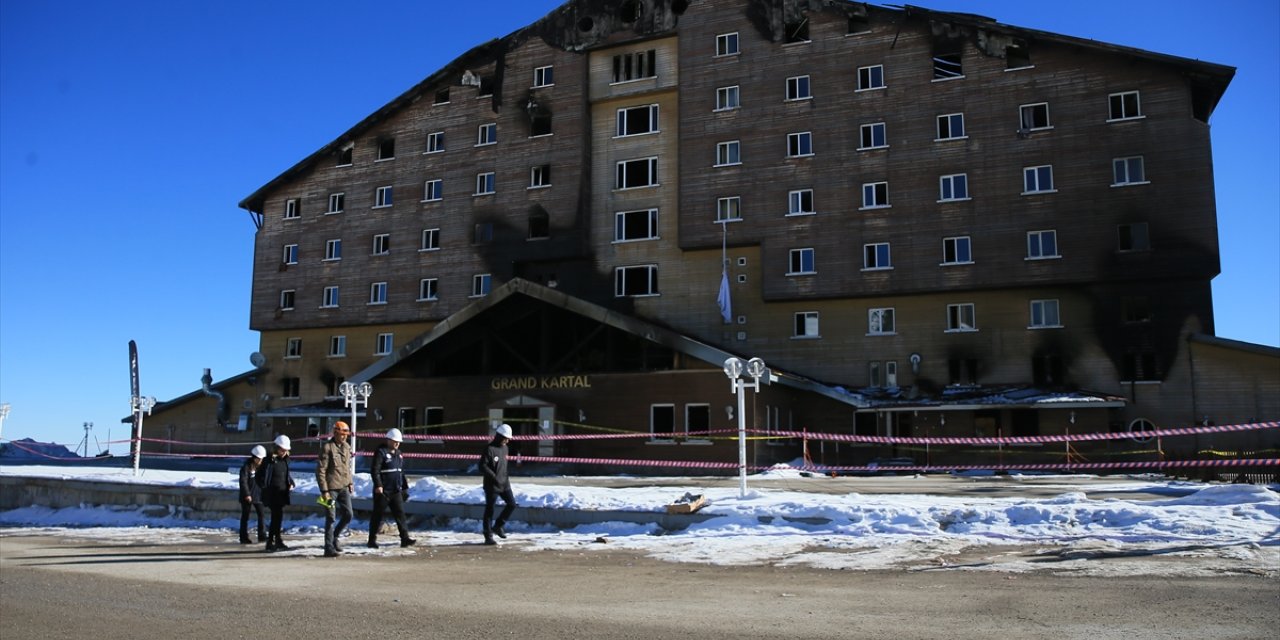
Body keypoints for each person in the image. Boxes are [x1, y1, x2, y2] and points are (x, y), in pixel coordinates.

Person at [368, 428, 416, 549]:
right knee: (377, 515)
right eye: (395, 441)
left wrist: (404, 487)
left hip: (395, 490)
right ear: (389, 440)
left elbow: (400, 472)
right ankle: (371, 540)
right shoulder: (381, 452)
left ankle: (405, 538)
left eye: (398, 442)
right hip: (383, 491)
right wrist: (378, 485)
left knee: (400, 514)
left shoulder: (399, 454)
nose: (397, 444)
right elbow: (375, 470)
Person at [316, 421, 354, 558]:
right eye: (342, 434)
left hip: (343, 487)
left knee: (349, 514)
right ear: (335, 433)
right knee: (330, 517)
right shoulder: (327, 448)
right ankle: (328, 547)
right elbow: (321, 471)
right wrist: (324, 491)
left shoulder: (347, 447)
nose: (344, 437)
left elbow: (347, 468)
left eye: (346, 435)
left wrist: (350, 482)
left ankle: (335, 537)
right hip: (330, 490)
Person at [256, 434, 295, 552]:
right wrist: (265, 487)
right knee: (275, 517)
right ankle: (271, 541)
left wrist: (291, 483)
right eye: (281, 449)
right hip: (272, 493)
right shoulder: (269, 461)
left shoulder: (285, 461)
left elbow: (286, 475)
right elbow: (259, 477)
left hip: (282, 493)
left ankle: (277, 539)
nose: (283, 452)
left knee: (278, 518)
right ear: (276, 448)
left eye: (285, 450)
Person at [480, 423, 517, 546]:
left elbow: (503, 465)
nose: (507, 441)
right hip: (492, 485)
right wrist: (493, 476)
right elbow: (482, 466)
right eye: (506, 438)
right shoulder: (489, 449)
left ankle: (498, 526)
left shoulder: (505, 448)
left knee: (511, 504)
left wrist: (505, 478)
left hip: (504, 483)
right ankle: (488, 535)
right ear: (499, 436)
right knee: (490, 509)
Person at [238, 445, 267, 544]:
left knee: (261, 515)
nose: (260, 461)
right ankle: (243, 537)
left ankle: (262, 535)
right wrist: (247, 494)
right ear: (254, 458)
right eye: (259, 459)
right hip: (248, 496)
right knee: (245, 516)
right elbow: (243, 482)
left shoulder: (262, 467)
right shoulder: (246, 467)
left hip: (258, 495)